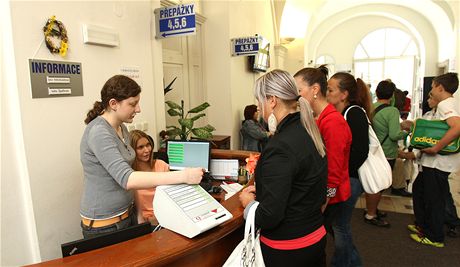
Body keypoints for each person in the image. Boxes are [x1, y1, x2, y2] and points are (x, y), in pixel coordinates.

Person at [80, 75, 203, 239]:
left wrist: (137, 212)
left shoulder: (122, 128)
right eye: (132, 104)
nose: (138, 109)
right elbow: (127, 178)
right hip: (105, 225)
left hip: (127, 214)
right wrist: (184, 176)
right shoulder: (99, 132)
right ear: (113, 104)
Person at [239, 69, 328, 266]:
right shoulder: (309, 132)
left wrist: (249, 204)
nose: (258, 107)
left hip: (289, 248)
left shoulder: (280, 146)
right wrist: (263, 191)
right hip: (314, 235)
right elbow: (302, 185)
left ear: (272, 100)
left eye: (259, 100)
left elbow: (269, 216)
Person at [294, 66, 352, 239]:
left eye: (299, 90)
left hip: (332, 197)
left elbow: (334, 168)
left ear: (315, 90)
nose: (296, 96)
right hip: (321, 192)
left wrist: (324, 202)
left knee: (338, 237)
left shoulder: (333, 122)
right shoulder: (320, 118)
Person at [408, 72, 460, 247]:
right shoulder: (453, 102)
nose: (431, 91)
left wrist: (436, 147)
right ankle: (425, 226)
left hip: (438, 161)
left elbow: (456, 127)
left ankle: (434, 236)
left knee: (434, 200)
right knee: (424, 192)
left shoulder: (446, 104)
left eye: (432, 88)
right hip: (439, 162)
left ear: (440, 87)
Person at [326, 72, 372, 266]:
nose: (326, 93)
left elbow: (361, 151)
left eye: (330, 90)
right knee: (335, 223)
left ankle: (344, 262)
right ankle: (351, 261)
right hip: (344, 178)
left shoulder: (353, 113)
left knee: (339, 225)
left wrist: (341, 173)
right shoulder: (339, 113)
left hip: (350, 179)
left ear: (343, 94)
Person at [372, 80, 411, 197]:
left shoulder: (371, 107)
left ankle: (371, 210)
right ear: (392, 95)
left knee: (374, 182)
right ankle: (372, 211)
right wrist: (406, 132)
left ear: (376, 92)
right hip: (387, 151)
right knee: (382, 184)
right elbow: (394, 135)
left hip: (373, 150)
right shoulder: (392, 111)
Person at [129, 130, 169, 224]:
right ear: (131, 150)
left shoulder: (162, 165)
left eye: (148, 145)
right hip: (142, 221)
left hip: (166, 217)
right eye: (140, 147)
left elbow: (170, 197)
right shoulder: (130, 174)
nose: (147, 150)